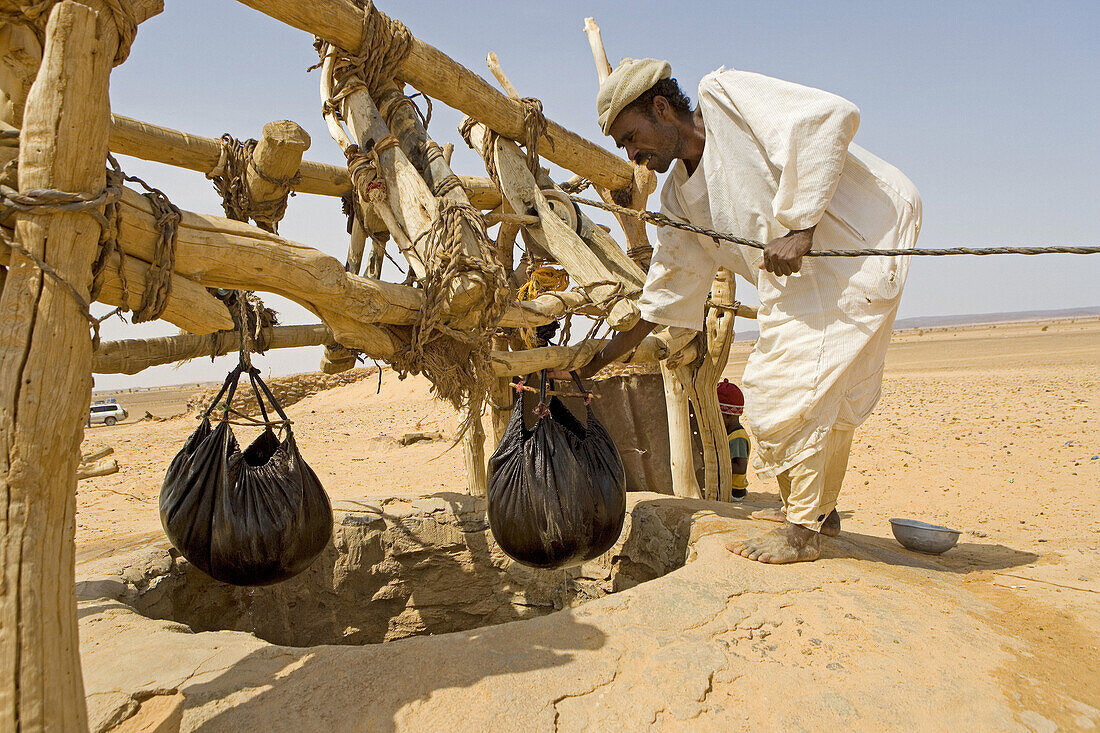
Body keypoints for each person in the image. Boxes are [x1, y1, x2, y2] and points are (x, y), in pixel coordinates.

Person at [576, 59, 922, 564]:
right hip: (803, 285)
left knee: (775, 396)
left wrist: (803, 226)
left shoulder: (725, 100)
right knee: (827, 401)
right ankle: (815, 514)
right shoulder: (678, 202)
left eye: (632, 137)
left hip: (860, 238)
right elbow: (665, 296)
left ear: (660, 107)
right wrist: (591, 364)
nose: (635, 156)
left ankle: (802, 534)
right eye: (624, 147)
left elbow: (829, 117)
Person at [717, 378, 749, 501]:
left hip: (734, 490)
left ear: (727, 416)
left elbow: (741, 468)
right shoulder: (730, 434)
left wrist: (718, 463)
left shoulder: (738, 438)